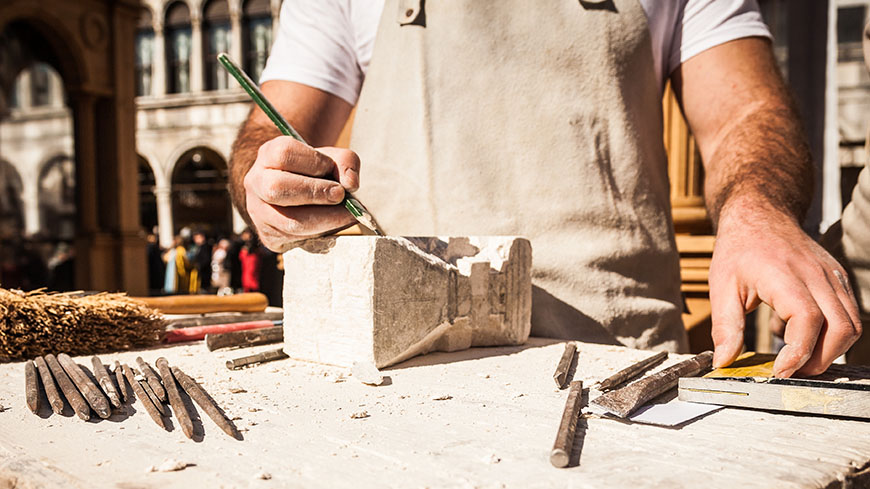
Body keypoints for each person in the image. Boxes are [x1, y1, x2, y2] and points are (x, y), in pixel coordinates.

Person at [229, 0, 862, 377]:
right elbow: (268, 130)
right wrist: (270, 179)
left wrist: (756, 211)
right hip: (399, 367)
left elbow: (744, 114)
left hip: (617, 364)